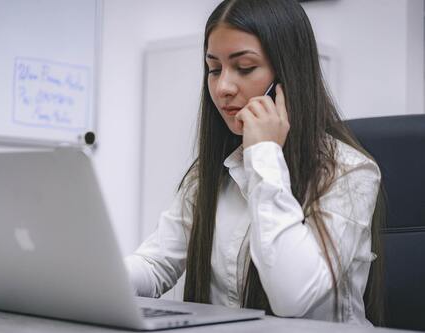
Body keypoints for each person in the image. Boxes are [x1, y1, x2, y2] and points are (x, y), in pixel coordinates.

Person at [125, 0, 385, 326]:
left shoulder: (348, 172)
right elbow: (156, 264)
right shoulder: (210, 174)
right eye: (214, 69)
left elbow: (293, 298)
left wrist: (264, 154)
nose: (223, 88)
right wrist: (93, 277)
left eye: (245, 68)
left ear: (288, 74)